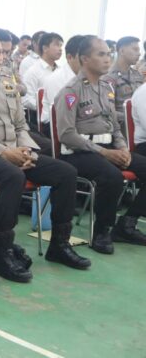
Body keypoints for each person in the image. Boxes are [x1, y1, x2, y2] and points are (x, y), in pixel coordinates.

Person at [0, 33, 91, 283]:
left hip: (13, 153)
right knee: (13, 175)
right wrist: (5, 152)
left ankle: (59, 243)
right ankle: (1, 251)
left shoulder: (7, 84)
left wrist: (27, 151)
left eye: (1, 53)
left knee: (65, 172)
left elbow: (20, 125)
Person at [55, 35, 146, 254]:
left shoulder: (106, 86)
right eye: (101, 54)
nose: (108, 59)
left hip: (109, 149)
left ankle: (127, 223)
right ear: (85, 59)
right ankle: (102, 232)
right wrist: (104, 152)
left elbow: (113, 125)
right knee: (112, 176)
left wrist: (122, 147)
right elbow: (66, 134)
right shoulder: (70, 91)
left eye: (108, 54)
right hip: (78, 153)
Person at [41, 35, 85, 131]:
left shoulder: (89, 77)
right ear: (69, 57)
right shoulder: (57, 79)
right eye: (83, 58)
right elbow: (63, 117)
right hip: (55, 128)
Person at [101, 36, 143, 129]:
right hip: (121, 130)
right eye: (135, 49)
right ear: (122, 51)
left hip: (139, 129)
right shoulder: (108, 77)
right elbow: (107, 111)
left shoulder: (138, 75)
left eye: (139, 50)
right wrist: (134, 117)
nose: (139, 54)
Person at [22, 32, 64, 112]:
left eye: (61, 45)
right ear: (45, 48)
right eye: (56, 45)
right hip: (42, 119)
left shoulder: (60, 71)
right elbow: (26, 99)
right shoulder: (33, 72)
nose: (60, 49)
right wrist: (47, 108)